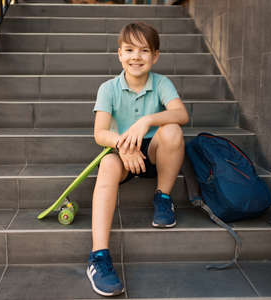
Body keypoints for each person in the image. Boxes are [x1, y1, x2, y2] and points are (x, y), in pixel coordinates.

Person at [86, 22, 189, 296]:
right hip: (122, 153)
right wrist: (122, 145)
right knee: (107, 164)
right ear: (119, 54)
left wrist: (147, 121)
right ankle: (98, 256)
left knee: (173, 131)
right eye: (129, 50)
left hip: (155, 153)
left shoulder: (161, 83)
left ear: (155, 56)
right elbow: (100, 133)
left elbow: (181, 114)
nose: (136, 56)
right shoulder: (108, 88)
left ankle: (163, 197)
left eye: (144, 50)